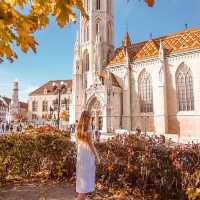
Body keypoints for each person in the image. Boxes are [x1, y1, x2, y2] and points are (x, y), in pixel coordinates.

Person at [76, 110, 100, 200]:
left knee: (82, 178)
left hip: (81, 154)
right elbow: (91, 144)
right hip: (87, 155)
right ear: (87, 118)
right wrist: (97, 156)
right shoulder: (88, 127)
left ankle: (82, 197)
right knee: (85, 179)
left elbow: (77, 144)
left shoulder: (78, 128)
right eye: (90, 117)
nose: (91, 118)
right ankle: (81, 198)